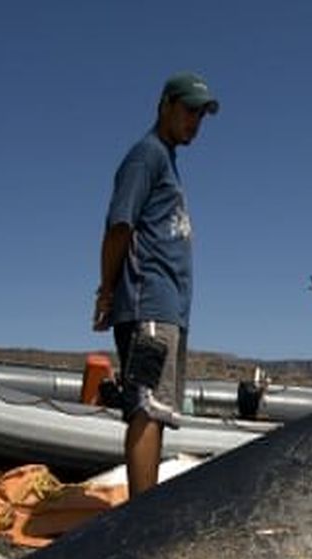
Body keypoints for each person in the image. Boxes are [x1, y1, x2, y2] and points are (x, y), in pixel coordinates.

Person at [92, 71, 219, 497]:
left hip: (168, 308)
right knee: (146, 406)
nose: (195, 121)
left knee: (158, 407)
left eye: (201, 114)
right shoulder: (146, 156)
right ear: (164, 105)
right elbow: (119, 226)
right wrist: (107, 290)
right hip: (148, 302)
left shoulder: (167, 160)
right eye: (188, 111)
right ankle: (139, 520)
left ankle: (143, 511)